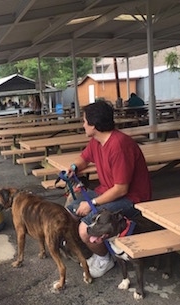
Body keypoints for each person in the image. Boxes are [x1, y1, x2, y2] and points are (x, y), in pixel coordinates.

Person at [65, 101, 152, 278]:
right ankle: (92, 249)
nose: (83, 125)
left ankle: (105, 259)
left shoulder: (119, 145)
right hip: (108, 192)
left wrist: (92, 204)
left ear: (94, 125)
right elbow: (84, 158)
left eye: (84, 121)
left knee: (85, 228)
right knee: (69, 209)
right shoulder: (97, 141)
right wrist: (74, 167)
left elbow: (121, 189)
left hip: (132, 199)